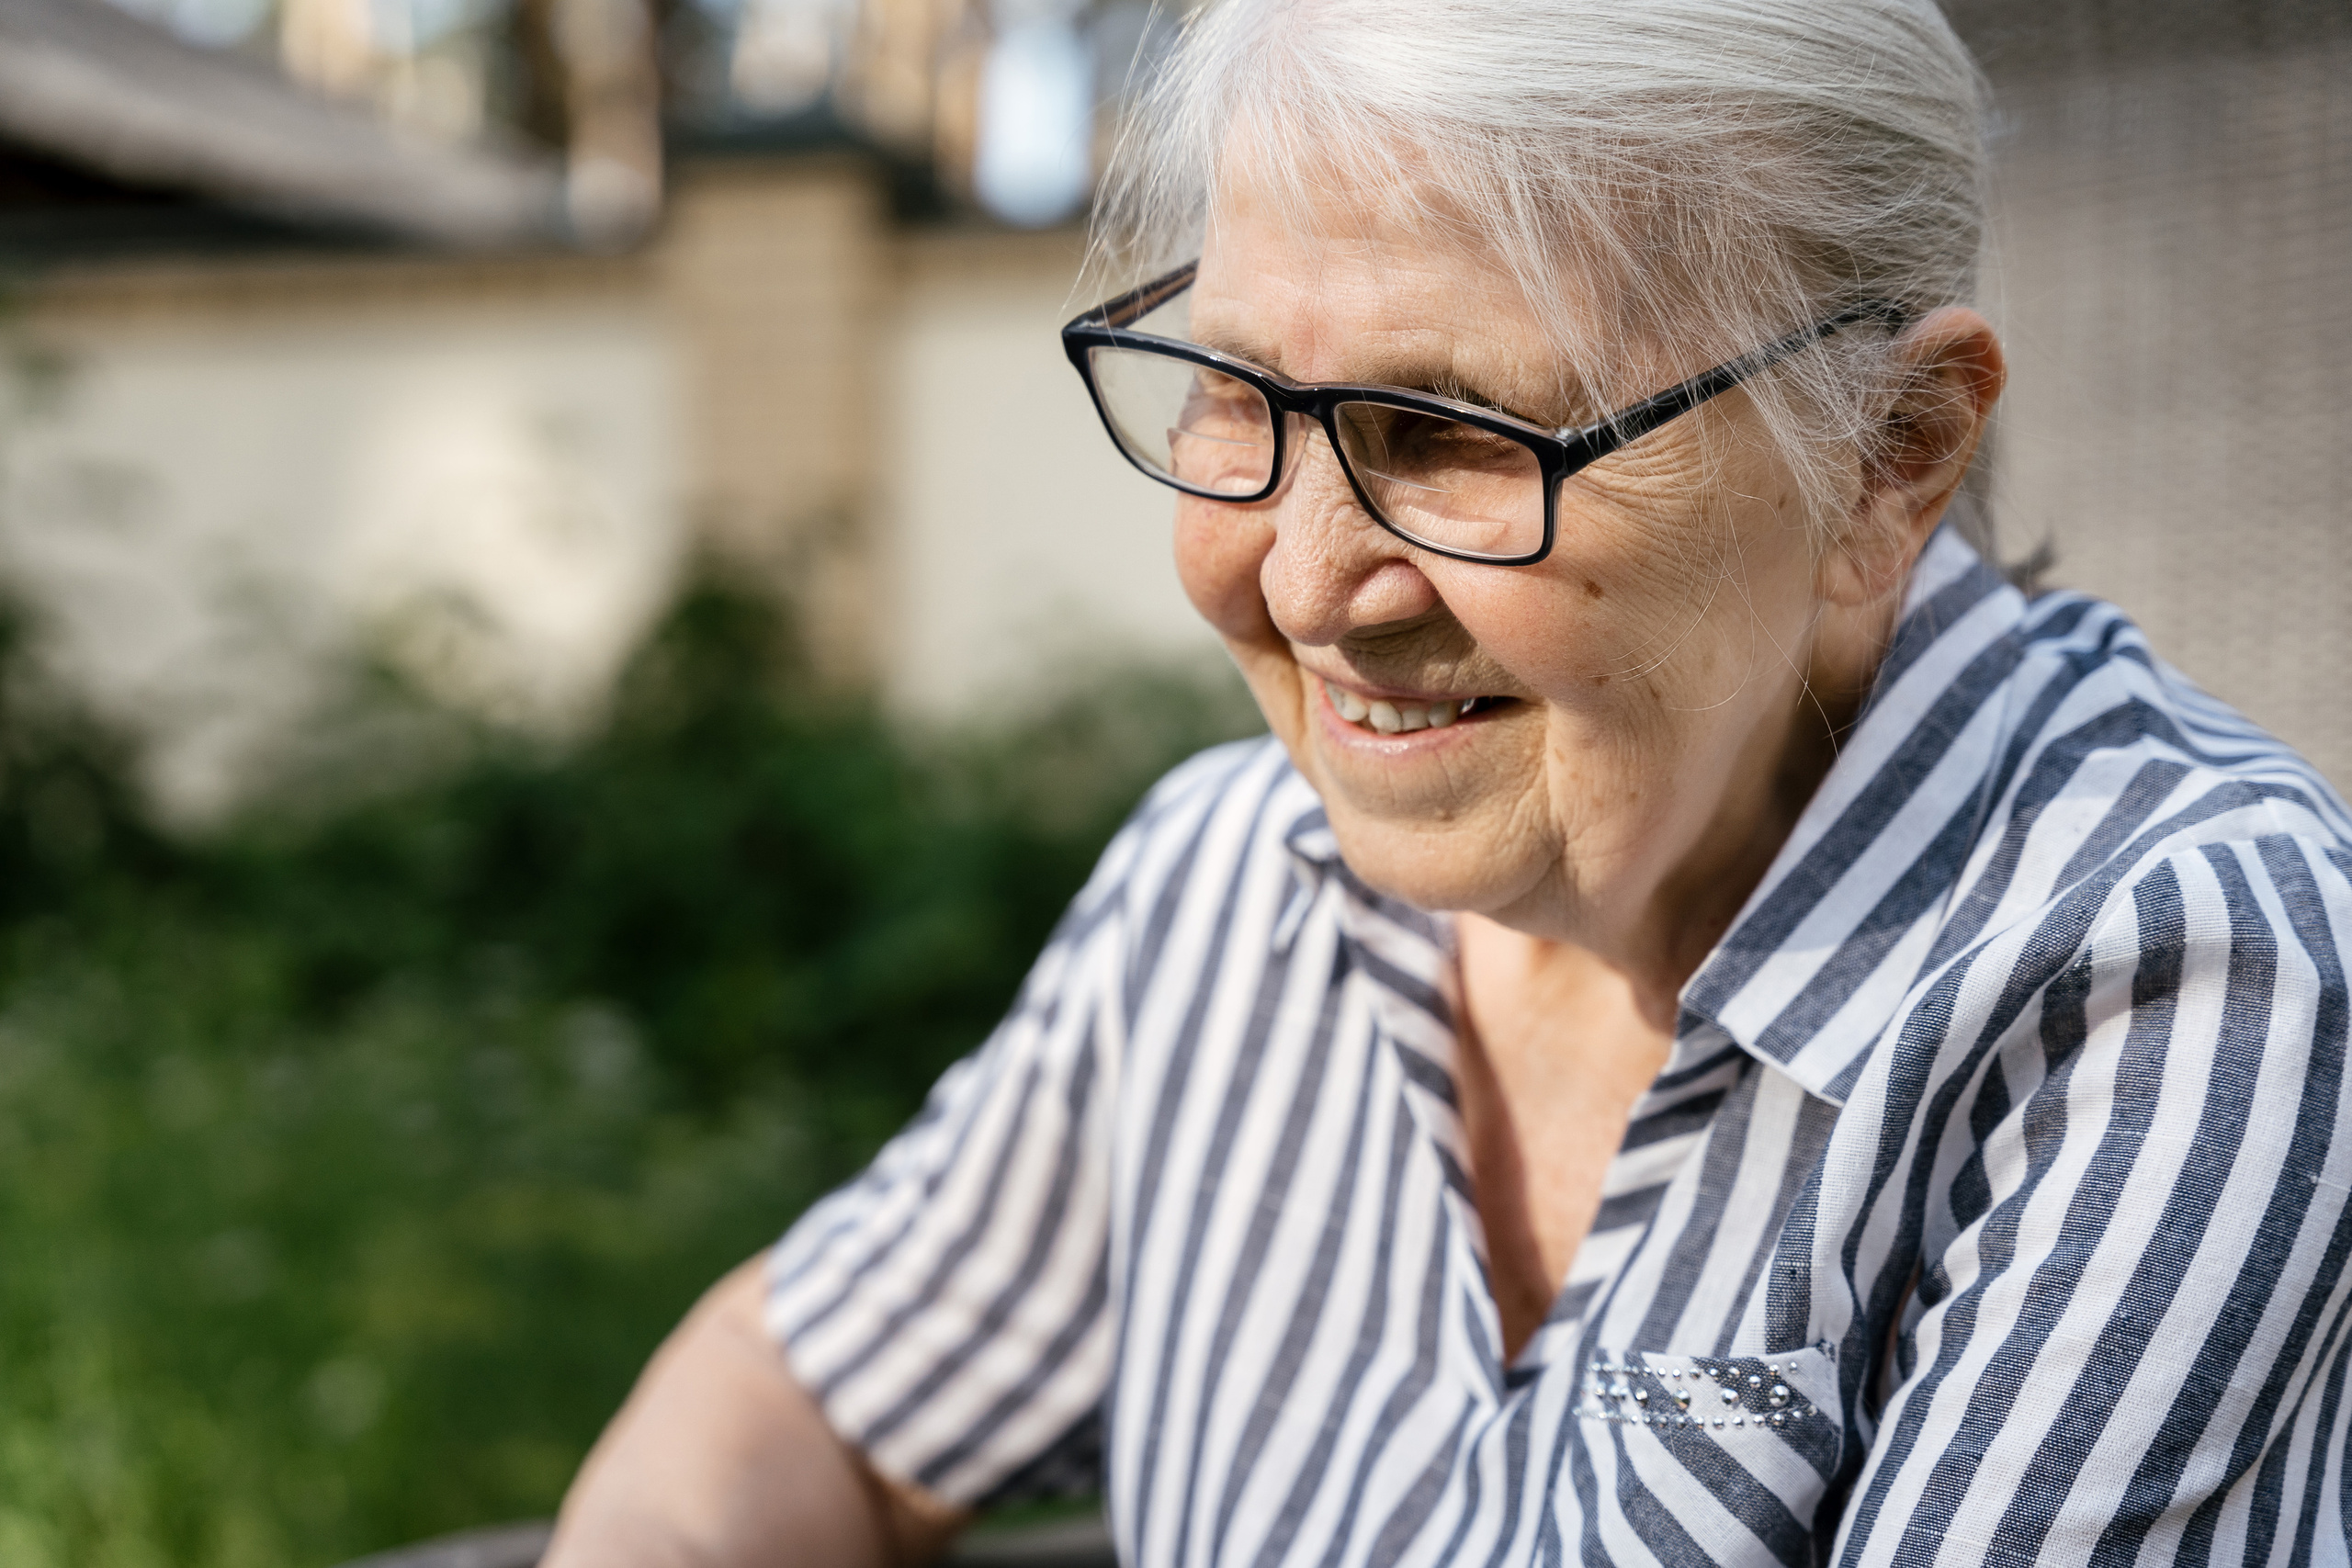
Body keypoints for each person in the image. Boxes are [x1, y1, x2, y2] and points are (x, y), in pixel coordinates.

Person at [542, 0, 2352, 1562]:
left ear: (1888, 455)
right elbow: (810, 1397)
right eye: (1238, 400)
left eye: (1457, 434)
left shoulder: (2179, 973)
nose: (1305, 578)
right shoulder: (1231, 882)